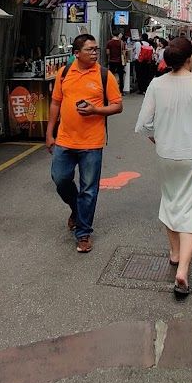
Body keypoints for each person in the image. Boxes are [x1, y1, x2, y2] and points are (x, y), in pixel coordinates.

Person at [135, 37, 192, 298]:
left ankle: (174, 253)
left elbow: (143, 124)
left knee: (171, 200)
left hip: (166, 154)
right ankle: (182, 270)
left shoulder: (156, 84)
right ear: (190, 59)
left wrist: (159, 137)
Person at [45, 34, 123, 253]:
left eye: (96, 49)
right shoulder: (64, 73)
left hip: (91, 142)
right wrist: (49, 133)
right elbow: (55, 103)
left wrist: (96, 110)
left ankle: (83, 233)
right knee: (60, 179)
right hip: (64, 139)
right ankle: (76, 209)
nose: (94, 53)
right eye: (89, 49)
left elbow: (117, 106)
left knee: (89, 189)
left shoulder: (104, 75)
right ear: (76, 53)